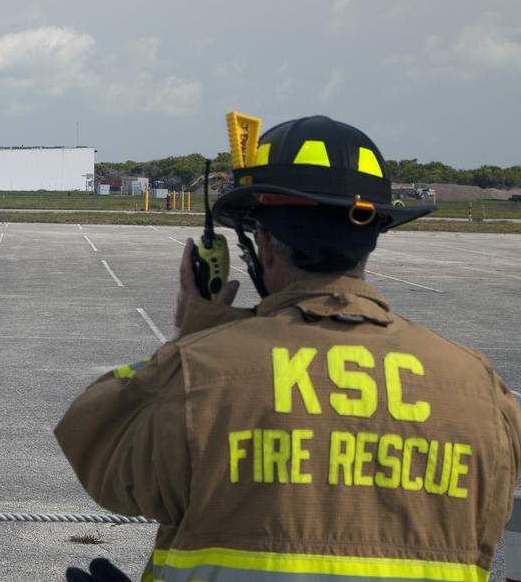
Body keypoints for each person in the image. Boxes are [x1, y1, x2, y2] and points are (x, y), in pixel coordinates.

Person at [55, 115, 521, 582]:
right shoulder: (481, 389)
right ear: (371, 238)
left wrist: (194, 337)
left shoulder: (199, 373)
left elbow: (94, 447)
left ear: (266, 247)